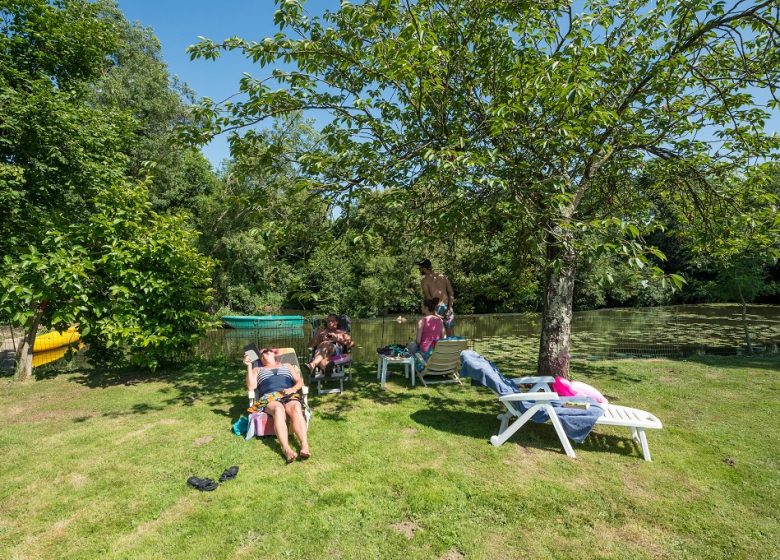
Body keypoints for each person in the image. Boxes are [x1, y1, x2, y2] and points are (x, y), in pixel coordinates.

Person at [244, 348, 310, 463]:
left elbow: (300, 381)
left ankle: (304, 446)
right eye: (262, 352)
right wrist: (249, 366)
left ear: (274, 354)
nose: (266, 352)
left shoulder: (287, 365)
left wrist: (293, 389)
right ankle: (286, 449)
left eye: (268, 350)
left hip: (288, 393)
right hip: (269, 397)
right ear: (260, 358)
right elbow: (251, 386)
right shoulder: (258, 369)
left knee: (296, 407)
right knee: (278, 409)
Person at [418, 258, 455, 336]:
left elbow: (428, 299)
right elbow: (451, 293)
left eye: (420, 268)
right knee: (450, 334)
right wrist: (449, 308)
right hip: (447, 306)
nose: (419, 270)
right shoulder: (443, 277)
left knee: (439, 336)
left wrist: (434, 313)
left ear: (424, 268)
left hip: (436, 308)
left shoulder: (424, 281)